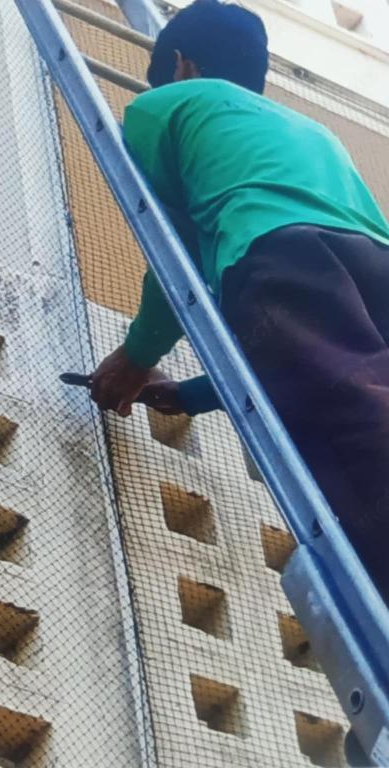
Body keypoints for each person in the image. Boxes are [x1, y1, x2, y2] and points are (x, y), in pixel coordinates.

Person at [88, 0, 389, 600]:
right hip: (372, 262)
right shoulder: (312, 130)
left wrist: (135, 357)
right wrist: (195, 394)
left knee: (350, 438)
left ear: (181, 65)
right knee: (362, 400)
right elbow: (307, 359)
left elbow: (174, 255)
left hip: (278, 250)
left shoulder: (164, 106)